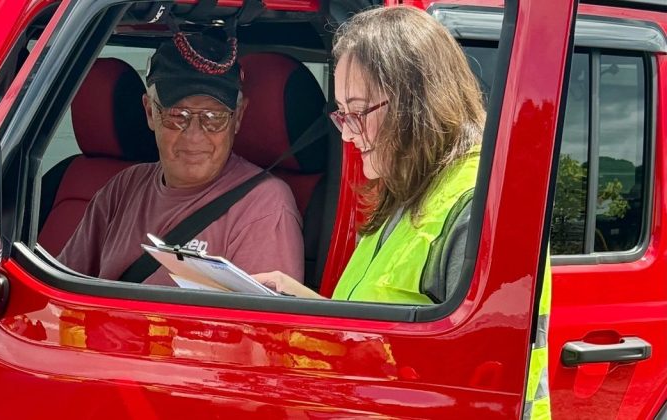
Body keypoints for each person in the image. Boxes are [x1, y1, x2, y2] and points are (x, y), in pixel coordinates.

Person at [250, 6, 551, 419]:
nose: (348, 134)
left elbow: (469, 379)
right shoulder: (407, 190)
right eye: (341, 113)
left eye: (359, 112)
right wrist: (296, 299)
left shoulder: (479, 206)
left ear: (416, 101)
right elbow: (379, 326)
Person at [58, 33, 304, 287]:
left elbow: (257, 325)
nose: (195, 136)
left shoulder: (264, 207)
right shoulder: (123, 188)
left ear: (238, 117)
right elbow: (59, 288)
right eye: (177, 115)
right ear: (150, 112)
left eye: (213, 117)